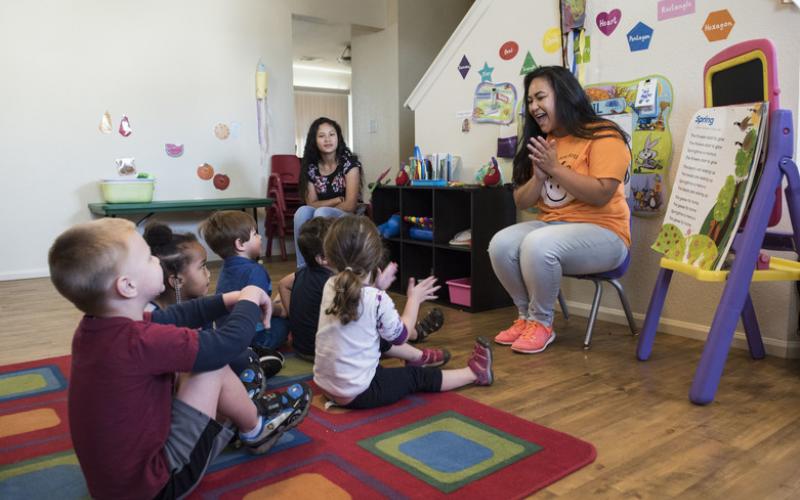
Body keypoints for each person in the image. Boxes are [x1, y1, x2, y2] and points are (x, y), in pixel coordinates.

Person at [48, 218, 311, 500]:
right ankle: (256, 428)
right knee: (210, 363)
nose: (157, 261)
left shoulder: (96, 329)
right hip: (156, 486)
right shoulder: (139, 341)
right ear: (127, 286)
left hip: (116, 487)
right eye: (148, 258)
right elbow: (225, 345)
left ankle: (239, 410)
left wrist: (226, 300)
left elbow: (173, 316)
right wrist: (248, 300)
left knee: (193, 359)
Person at [488, 65, 631, 354]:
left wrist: (555, 168)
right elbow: (521, 201)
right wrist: (540, 177)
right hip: (554, 227)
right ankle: (525, 317)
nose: (533, 107)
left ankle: (541, 322)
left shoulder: (604, 135)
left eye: (540, 97)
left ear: (565, 96)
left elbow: (601, 195)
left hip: (607, 234)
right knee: (500, 244)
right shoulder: (543, 142)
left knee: (537, 243)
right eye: (530, 100)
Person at [313, 215, 494, 410]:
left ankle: (418, 358)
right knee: (416, 377)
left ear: (330, 256)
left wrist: (377, 287)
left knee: (379, 339)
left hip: (326, 385)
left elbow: (360, 307)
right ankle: (474, 374)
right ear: (376, 256)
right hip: (358, 393)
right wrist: (414, 300)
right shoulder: (376, 299)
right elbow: (401, 336)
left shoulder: (331, 285)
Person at [280, 216, 447, 362]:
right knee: (377, 334)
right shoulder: (332, 283)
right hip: (323, 353)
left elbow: (283, 284)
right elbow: (368, 316)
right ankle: (418, 352)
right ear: (323, 258)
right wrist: (412, 299)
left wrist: (294, 321)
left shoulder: (305, 273)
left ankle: (414, 333)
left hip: (302, 347)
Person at [199, 211, 289, 351]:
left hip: (227, 334)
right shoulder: (256, 271)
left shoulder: (225, 268)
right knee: (285, 321)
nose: (260, 237)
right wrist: (281, 311)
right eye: (255, 234)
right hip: (254, 339)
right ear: (240, 244)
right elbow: (260, 309)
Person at [293, 117, 363, 267]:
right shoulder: (311, 167)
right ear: (314, 140)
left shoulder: (349, 163)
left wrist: (324, 207)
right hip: (328, 210)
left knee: (322, 212)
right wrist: (335, 200)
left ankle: (325, 266)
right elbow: (310, 203)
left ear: (338, 138)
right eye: (321, 136)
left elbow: (350, 205)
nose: (328, 139)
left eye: (332, 134)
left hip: (348, 217)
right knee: (302, 212)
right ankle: (302, 268)